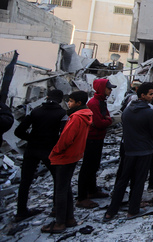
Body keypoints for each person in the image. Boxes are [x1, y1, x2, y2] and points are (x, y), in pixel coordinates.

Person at [103, 82, 153, 221]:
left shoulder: (127, 110)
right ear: (143, 95)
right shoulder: (149, 111)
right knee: (138, 181)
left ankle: (111, 211)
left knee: (122, 180)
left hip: (129, 150)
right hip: (144, 151)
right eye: (151, 94)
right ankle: (133, 210)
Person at [41, 91, 93, 234]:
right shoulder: (86, 115)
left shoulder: (76, 117)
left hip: (65, 156)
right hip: (74, 155)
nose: (68, 104)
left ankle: (60, 222)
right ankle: (69, 218)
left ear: (78, 103)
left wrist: (55, 151)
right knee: (66, 187)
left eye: (70, 101)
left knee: (61, 190)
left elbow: (66, 139)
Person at [14, 90, 67, 222]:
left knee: (25, 181)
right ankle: (56, 209)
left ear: (47, 97)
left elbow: (19, 131)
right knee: (58, 179)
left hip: (32, 149)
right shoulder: (61, 114)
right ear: (60, 100)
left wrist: (31, 138)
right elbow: (64, 135)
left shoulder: (35, 111)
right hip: (50, 150)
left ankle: (21, 211)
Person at [77, 79, 115, 208]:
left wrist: (106, 120)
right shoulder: (94, 103)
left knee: (94, 165)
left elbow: (108, 118)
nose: (110, 90)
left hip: (98, 137)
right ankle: (82, 196)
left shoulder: (101, 102)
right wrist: (107, 121)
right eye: (108, 88)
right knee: (87, 166)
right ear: (102, 88)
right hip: (91, 138)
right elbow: (100, 123)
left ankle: (92, 190)